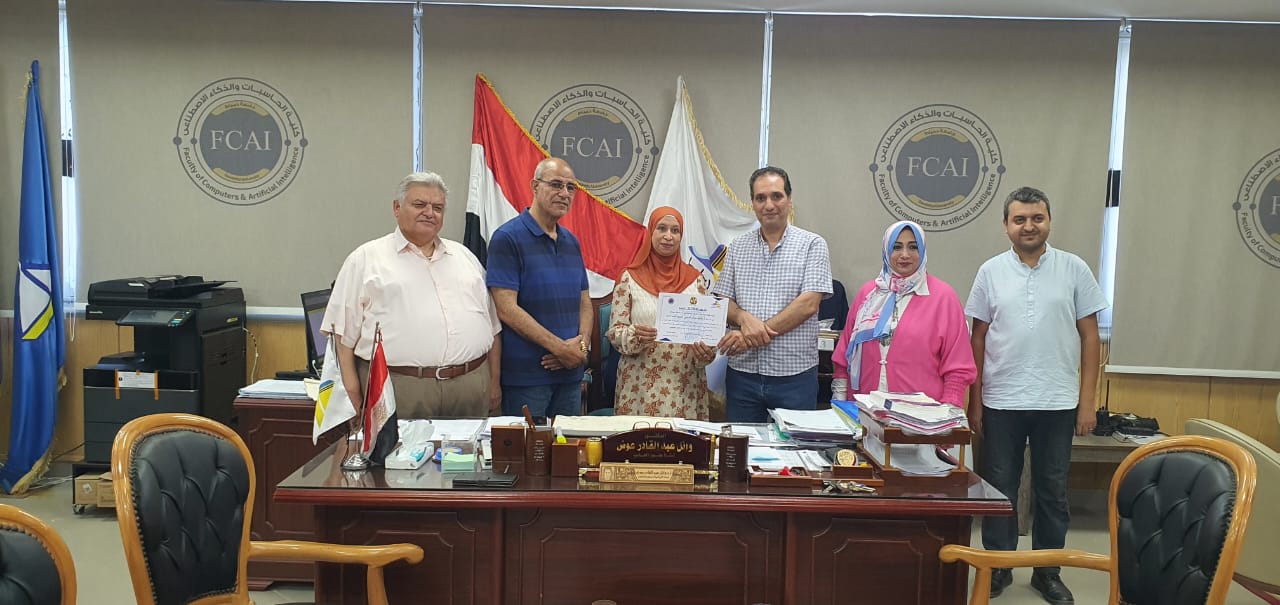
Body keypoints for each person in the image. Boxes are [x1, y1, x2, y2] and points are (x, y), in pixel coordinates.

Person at [966, 186, 1107, 605]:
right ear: (1006, 225)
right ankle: (999, 566)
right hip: (1001, 402)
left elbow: (1090, 337)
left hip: (1058, 402)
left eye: (1037, 218)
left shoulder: (1074, 268)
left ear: (1049, 221)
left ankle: (1048, 571)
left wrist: (1087, 402)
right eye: (1020, 219)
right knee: (999, 490)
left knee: (1053, 491)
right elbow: (978, 338)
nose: (1028, 226)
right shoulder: (990, 271)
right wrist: (975, 401)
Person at [323, 172, 502, 419]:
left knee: (471, 447)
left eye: (437, 207)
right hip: (399, 387)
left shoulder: (465, 257)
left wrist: (493, 381)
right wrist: (352, 394)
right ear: (397, 208)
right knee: (398, 447)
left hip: (471, 385)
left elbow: (492, 328)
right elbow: (342, 339)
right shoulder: (364, 260)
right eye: (419, 204)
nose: (429, 213)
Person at [712, 166, 832, 422]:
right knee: (742, 444)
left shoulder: (813, 244)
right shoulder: (737, 247)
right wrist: (743, 318)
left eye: (776, 196)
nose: (769, 205)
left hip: (794, 377)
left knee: (797, 445)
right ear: (753, 204)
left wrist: (750, 338)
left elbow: (808, 305)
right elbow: (723, 300)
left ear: (789, 200)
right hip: (743, 376)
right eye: (761, 198)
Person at [487, 157, 592, 419]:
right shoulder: (507, 238)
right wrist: (560, 349)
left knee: (569, 444)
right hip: (526, 379)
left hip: (570, 376)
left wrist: (580, 349)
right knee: (528, 446)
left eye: (570, 187)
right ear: (535, 186)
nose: (564, 193)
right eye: (556, 184)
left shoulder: (572, 242)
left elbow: (585, 302)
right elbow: (506, 308)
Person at [831, 220, 975, 405]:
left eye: (913, 247)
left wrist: (950, 409)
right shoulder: (868, 295)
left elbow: (958, 366)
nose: (905, 255)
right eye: (897, 247)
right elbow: (844, 357)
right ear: (886, 250)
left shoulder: (944, 297)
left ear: (922, 251)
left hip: (922, 415)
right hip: (865, 410)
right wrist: (839, 402)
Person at [606, 206, 717, 419]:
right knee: (640, 438)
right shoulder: (628, 278)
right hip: (640, 386)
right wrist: (635, 335)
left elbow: (704, 331)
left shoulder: (695, 280)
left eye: (675, 231)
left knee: (682, 440)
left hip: (684, 384)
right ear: (651, 232)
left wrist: (706, 352)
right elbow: (615, 332)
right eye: (662, 228)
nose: (668, 236)